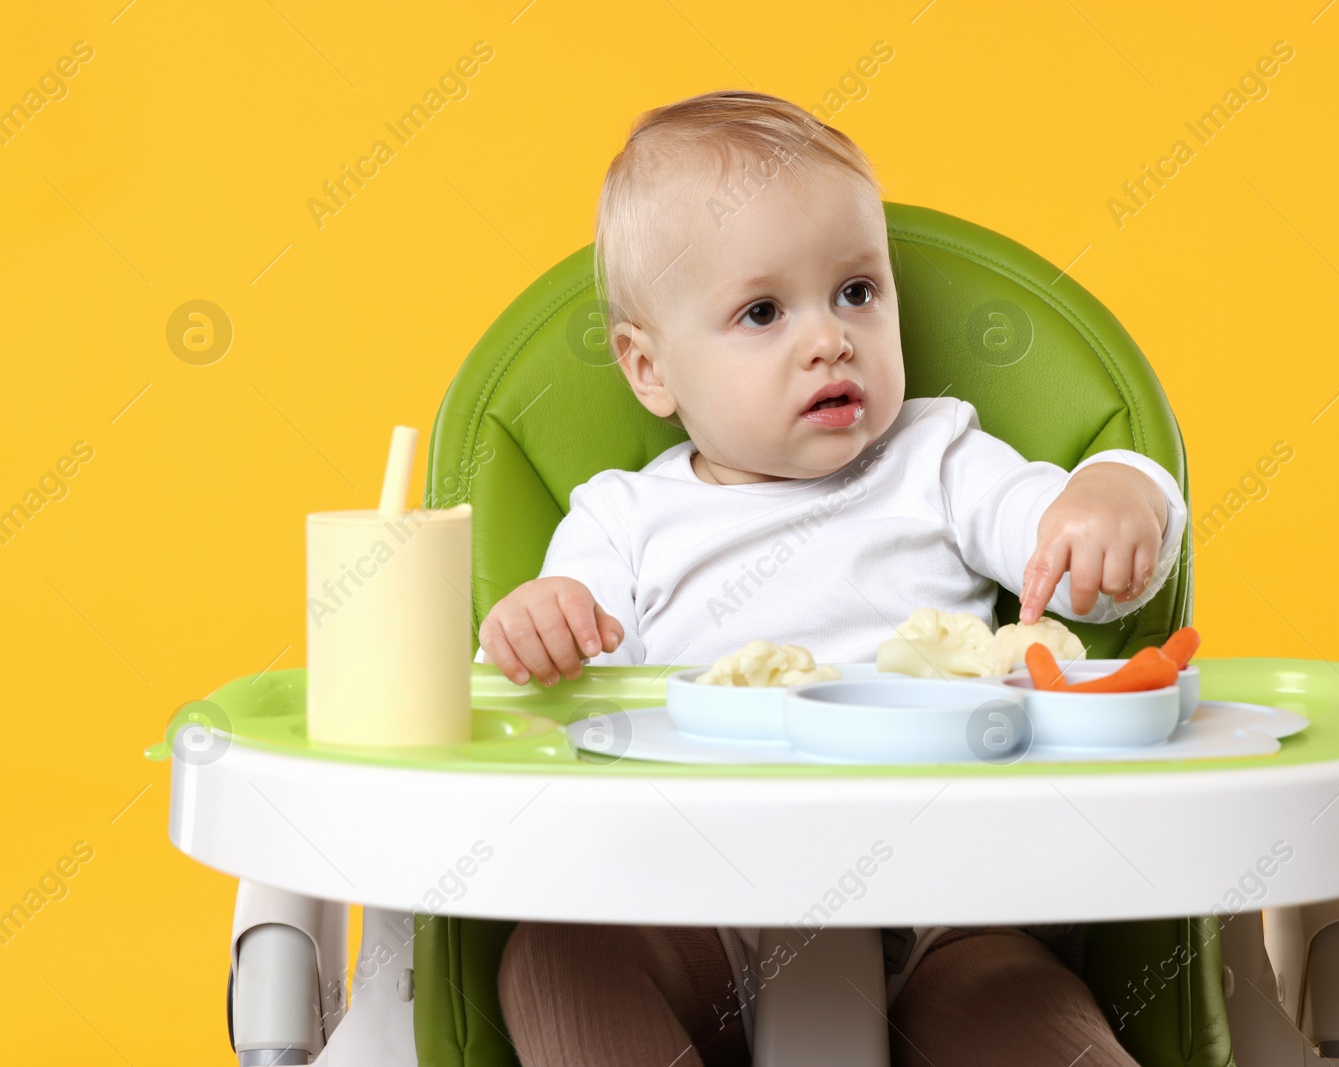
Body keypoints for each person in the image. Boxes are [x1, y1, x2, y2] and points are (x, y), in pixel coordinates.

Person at [478, 89, 1188, 1067]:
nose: (829, 338)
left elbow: (1076, 569)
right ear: (650, 370)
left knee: (1025, 1012)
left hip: (948, 915)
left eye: (856, 290)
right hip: (695, 903)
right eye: (762, 311)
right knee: (553, 960)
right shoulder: (620, 518)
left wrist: (1120, 493)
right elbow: (559, 693)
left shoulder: (938, 458)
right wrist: (534, 626)